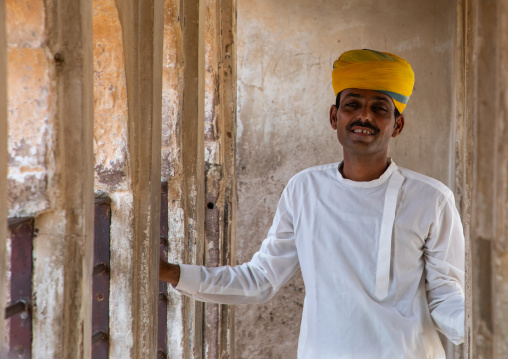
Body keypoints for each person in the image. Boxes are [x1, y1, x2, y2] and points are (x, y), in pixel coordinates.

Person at [159, 49, 465, 358]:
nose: (365, 116)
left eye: (380, 108)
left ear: (397, 125)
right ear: (335, 117)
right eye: (353, 105)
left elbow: (444, 296)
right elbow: (261, 279)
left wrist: (481, 322)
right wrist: (171, 273)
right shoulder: (304, 190)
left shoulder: (432, 199)